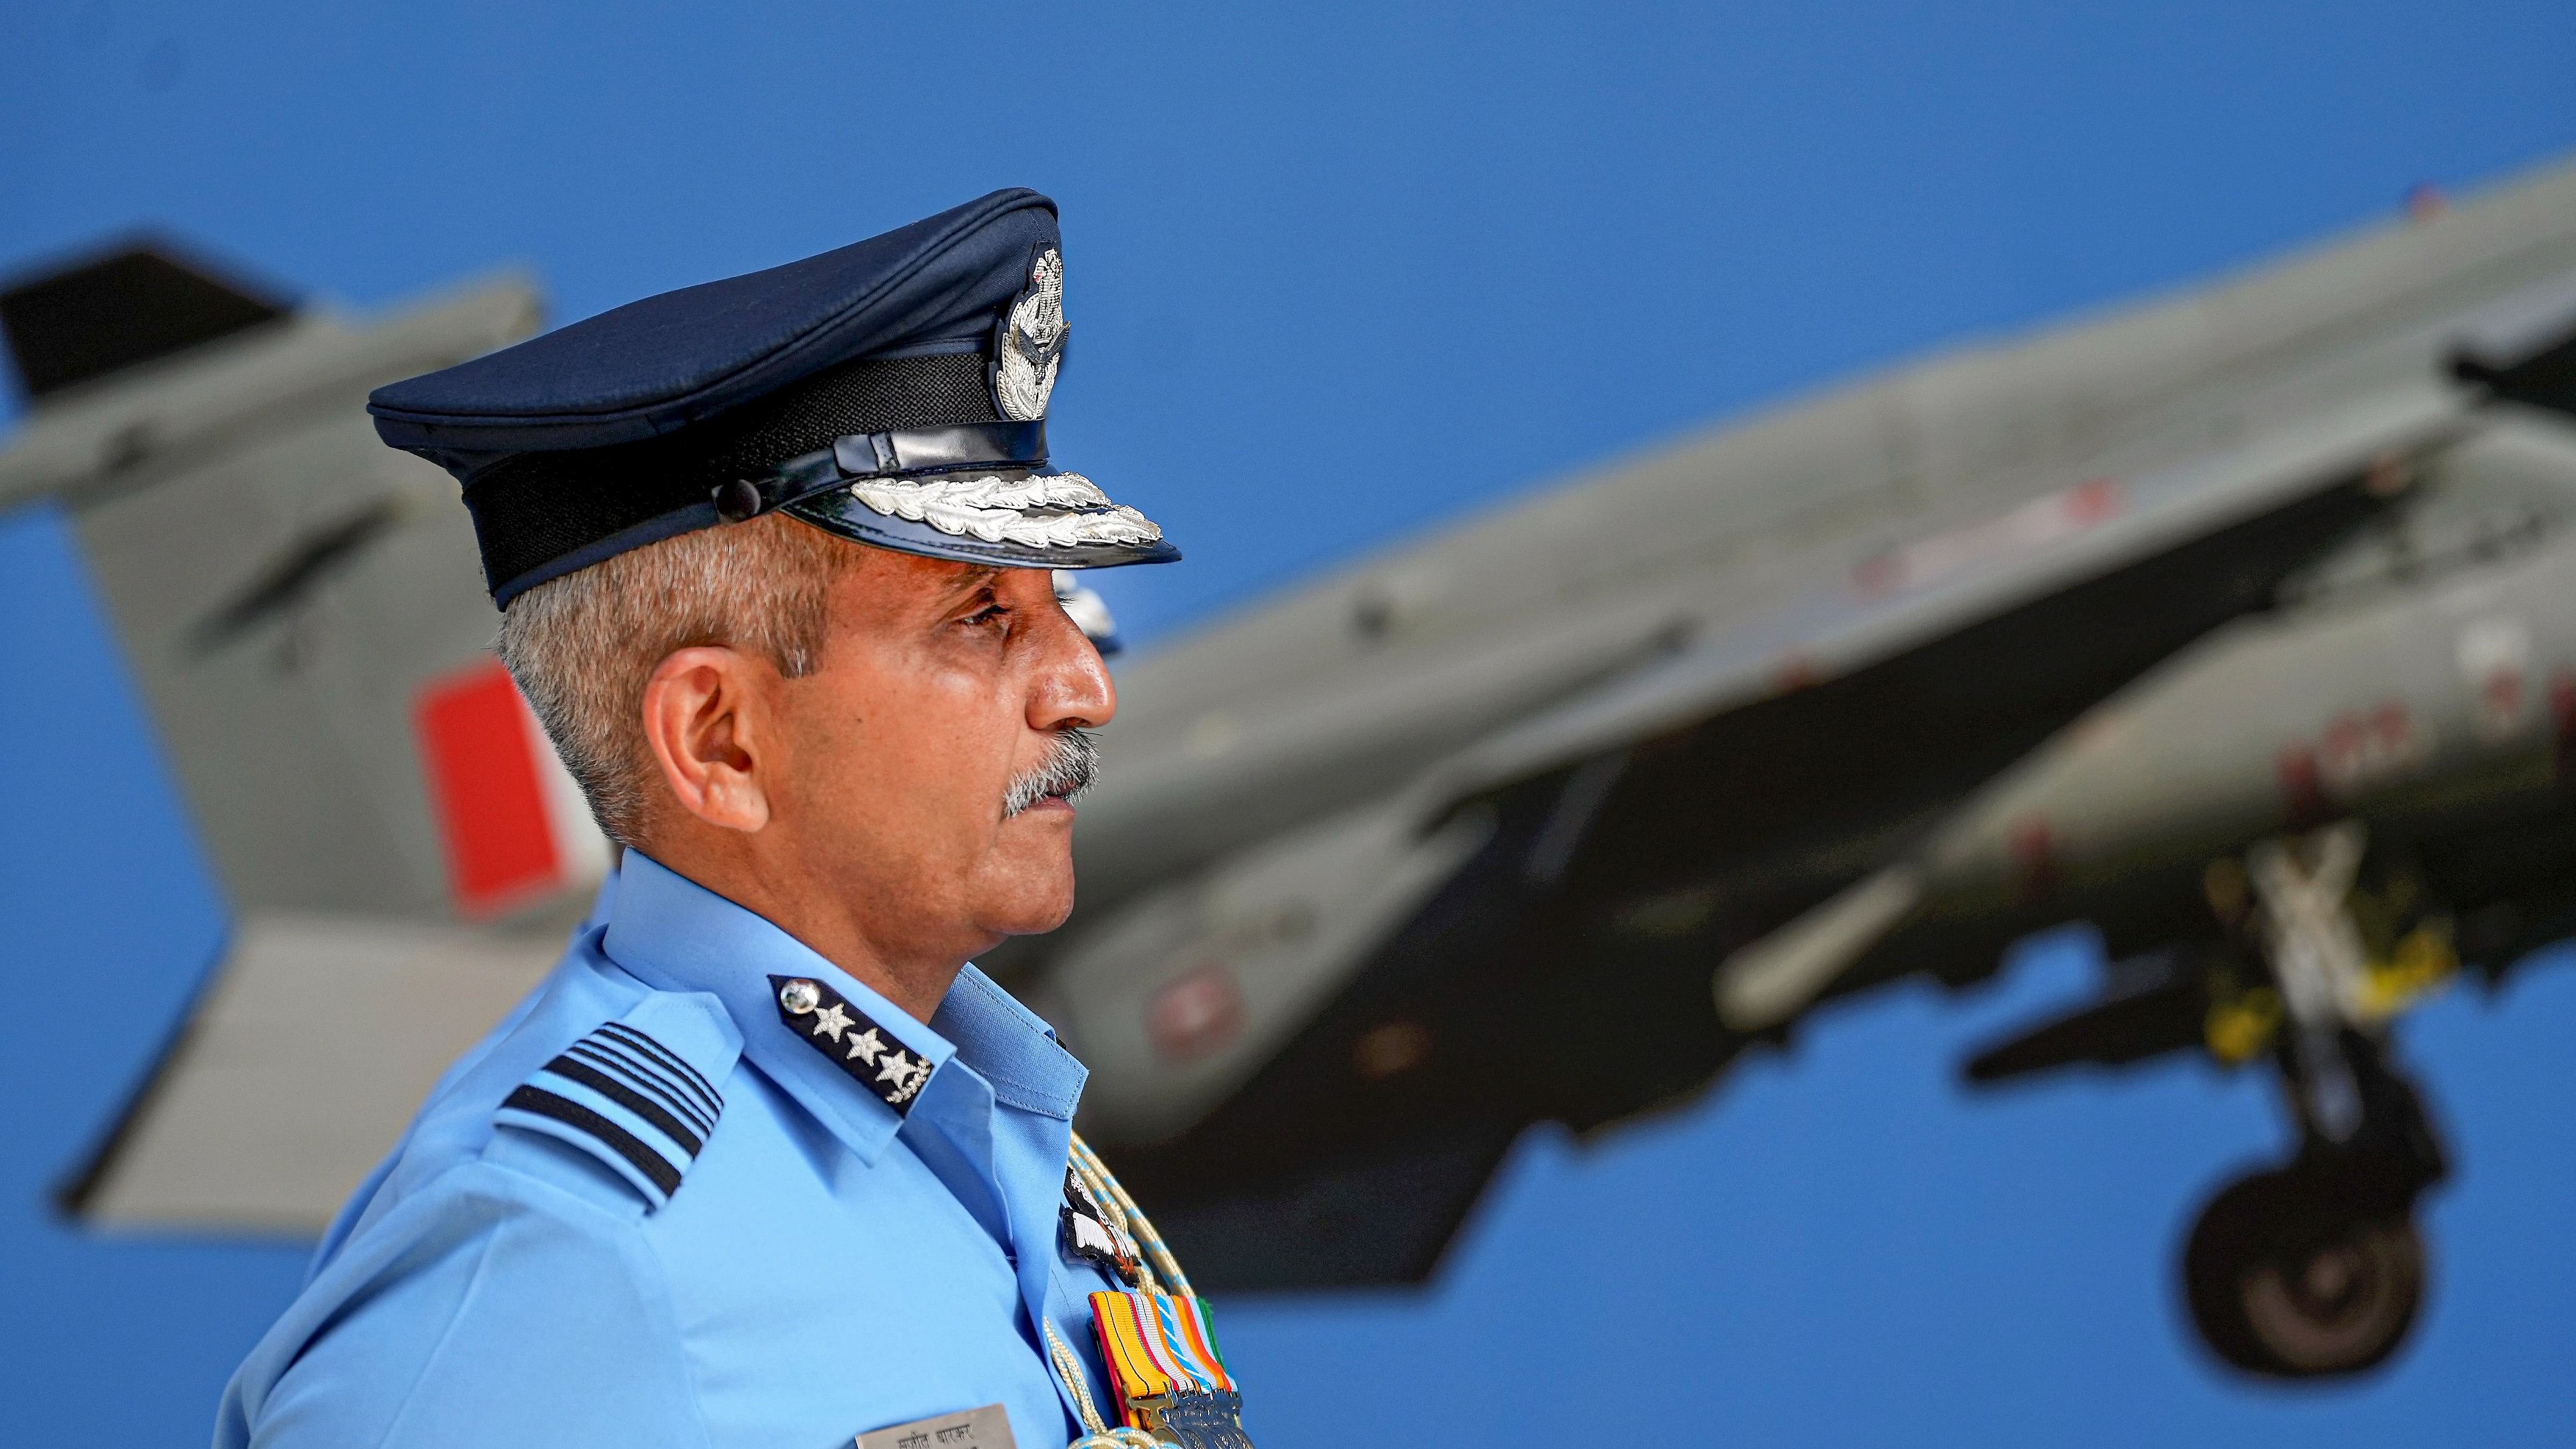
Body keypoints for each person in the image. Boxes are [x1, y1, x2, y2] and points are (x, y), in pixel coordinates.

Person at [215, 190, 1250, 1449]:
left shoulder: (982, 1133)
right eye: (983, 620)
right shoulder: (563, 1254)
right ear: (719, 739)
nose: (1086, 685)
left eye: (1057, 610)